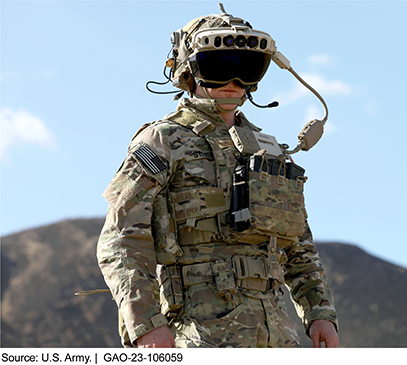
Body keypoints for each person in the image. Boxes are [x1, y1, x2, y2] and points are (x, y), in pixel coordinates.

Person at [96, 5, 338, 348]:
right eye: (218, 68)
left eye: (246, 70)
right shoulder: (163, 141)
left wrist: (320, 312)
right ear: (189, 71)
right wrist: (146, 324)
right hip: (198, 334)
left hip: (276, 336)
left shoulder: (267, 150)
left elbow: (298, 244)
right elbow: (121, 239)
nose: (232, 83)